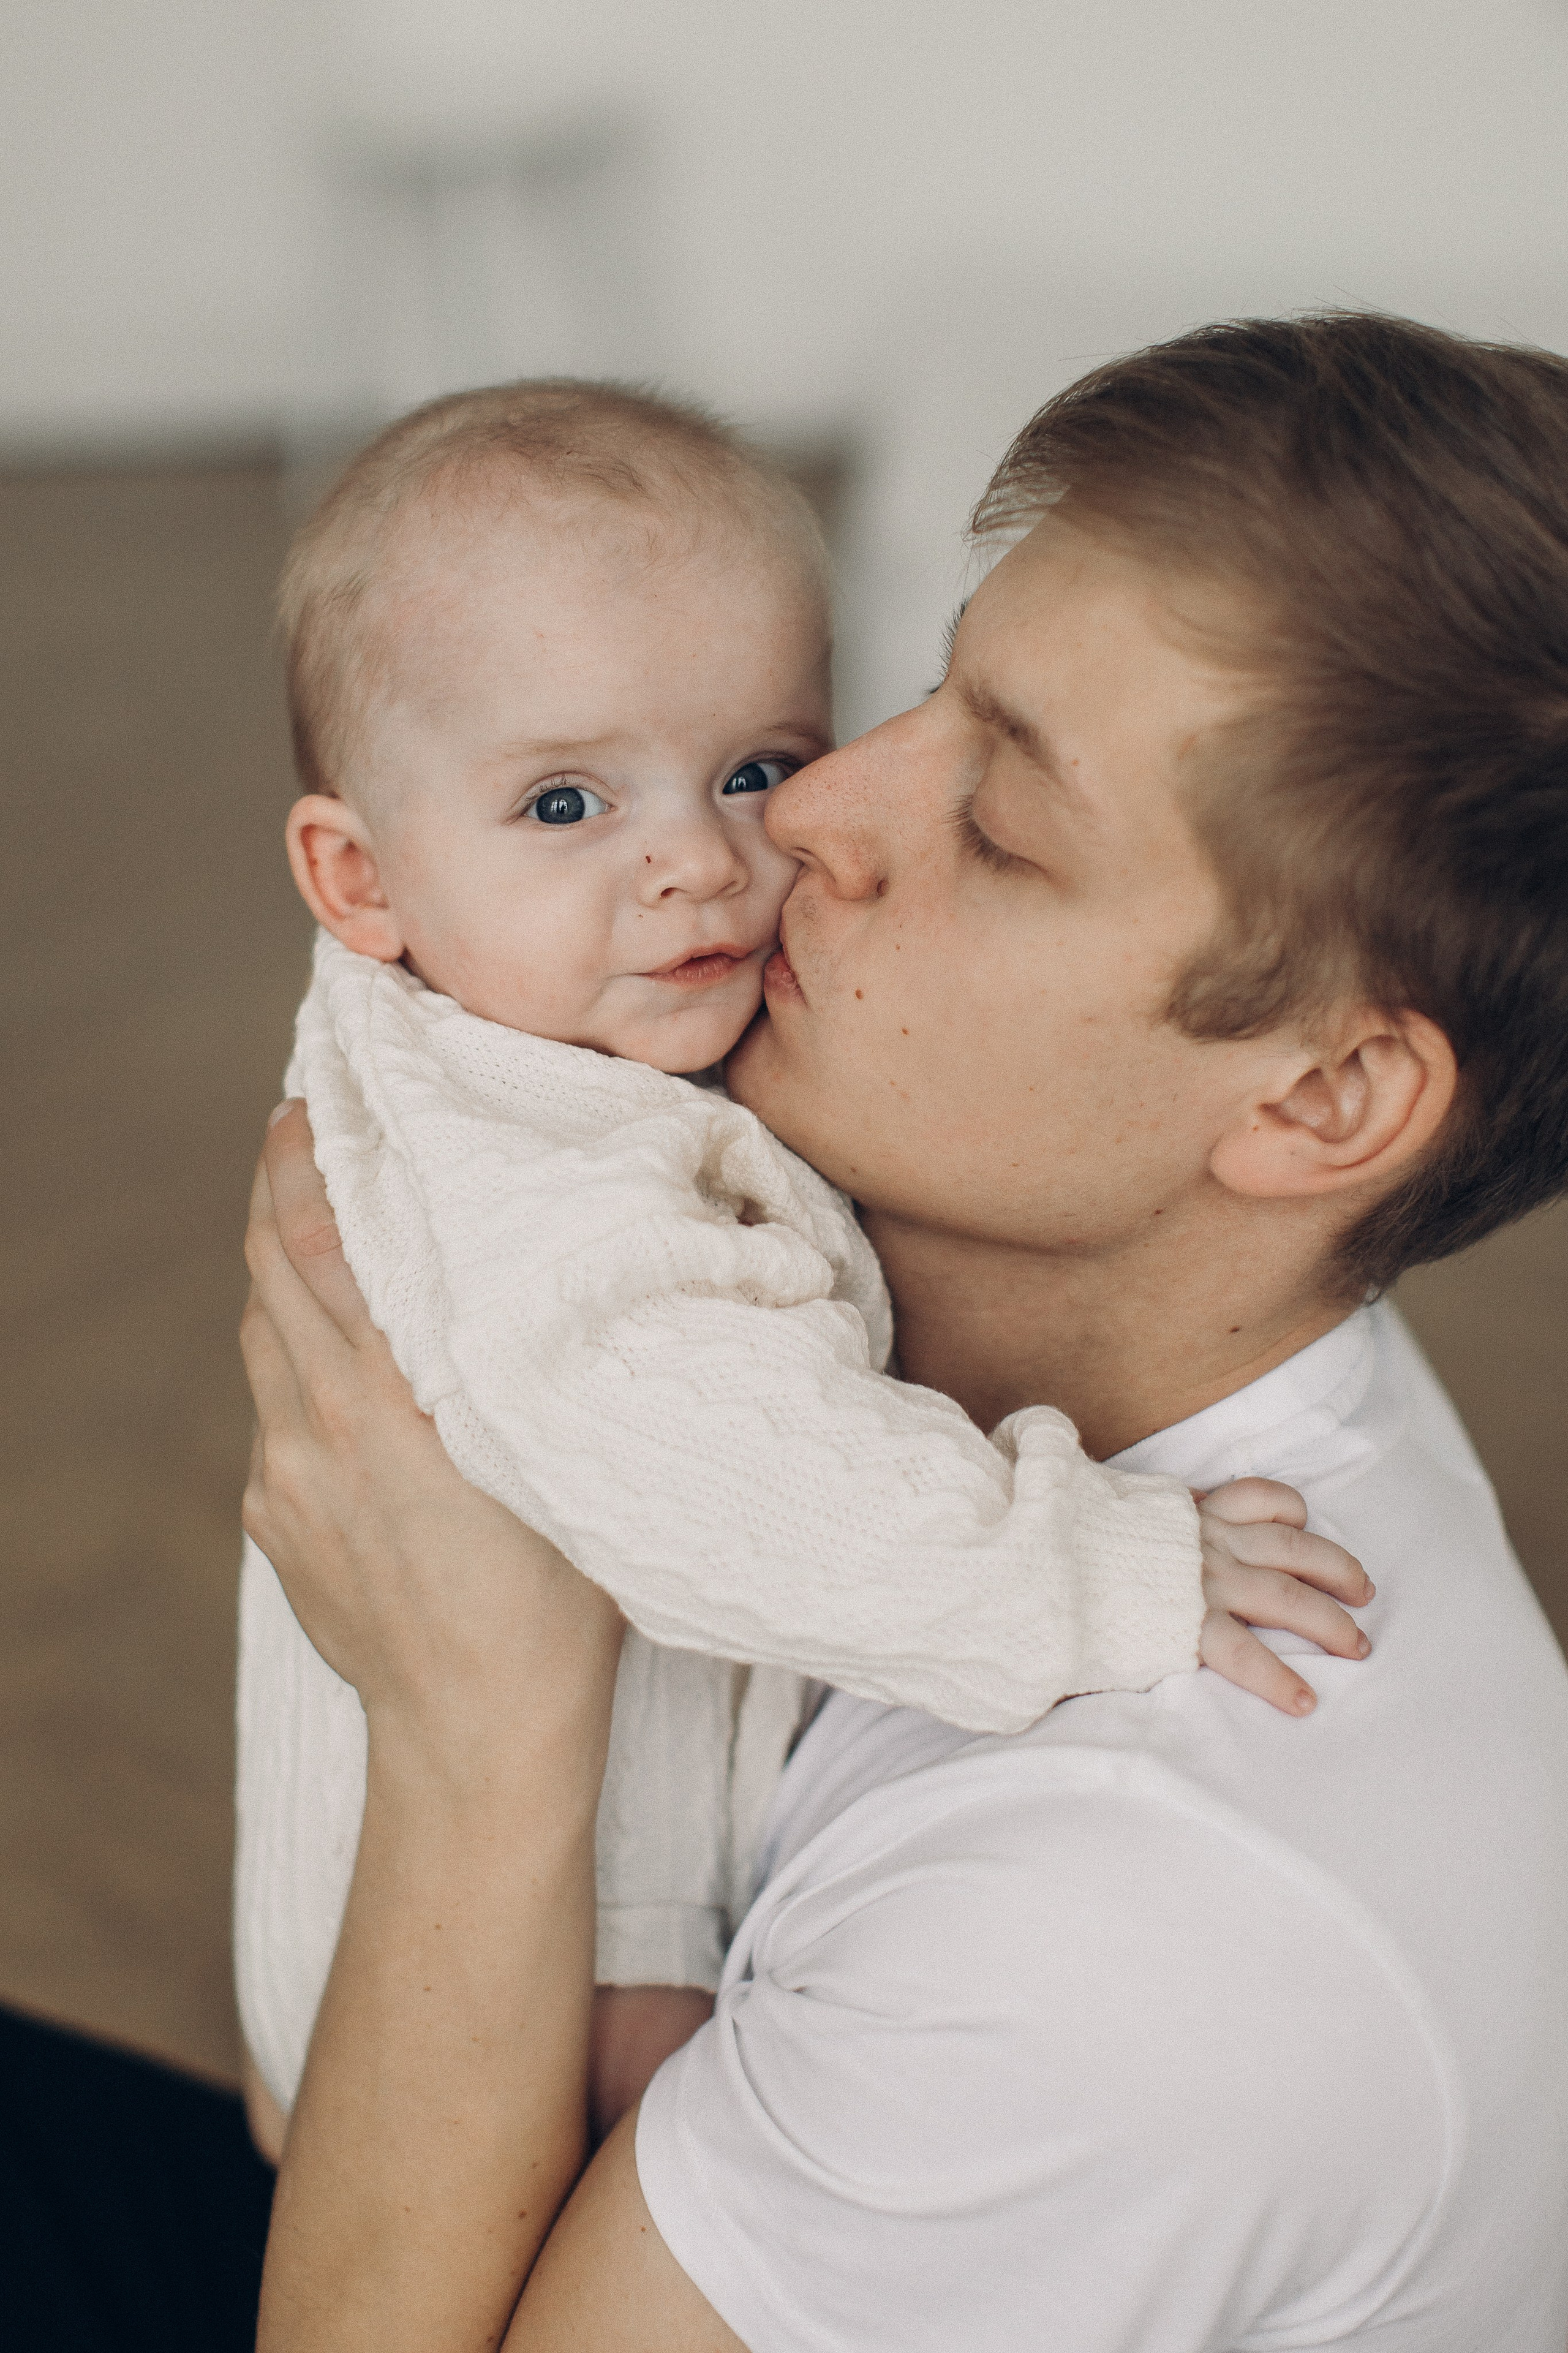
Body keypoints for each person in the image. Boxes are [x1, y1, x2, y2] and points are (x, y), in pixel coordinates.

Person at [240, 313, 1568, 2349]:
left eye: (1005, 823)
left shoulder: (1129, 1944)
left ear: (1317, 1102)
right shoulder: (1026, 1286)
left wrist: (477, 1729)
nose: (817, 809)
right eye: (930, 688)